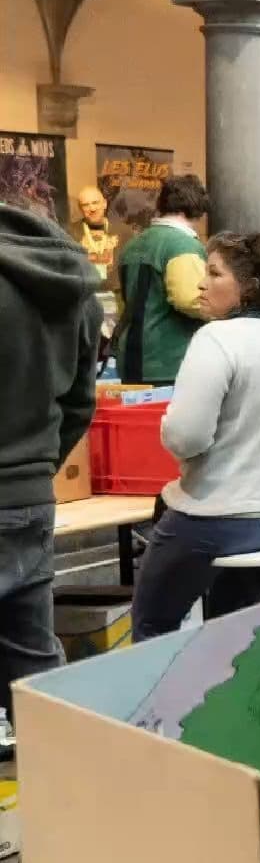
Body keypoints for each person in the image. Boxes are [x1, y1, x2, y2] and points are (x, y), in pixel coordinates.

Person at [132, 233, 260, 640]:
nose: (201, 284)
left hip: (218, 519)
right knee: (234, 620)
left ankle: (167, 701)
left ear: (250, 286)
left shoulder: (215, 339)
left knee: (152, 622)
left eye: (214, 273)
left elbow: (185, 437)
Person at [0, 166, 100, 712]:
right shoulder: (74, 283)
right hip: (31, 495)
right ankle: (67, 781)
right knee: (32, 655)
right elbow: (81, 403)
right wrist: (39, 465)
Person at [114, 173, 209, 384]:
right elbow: (190, 299)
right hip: (168, 362)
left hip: (130, 358)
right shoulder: (183, 245)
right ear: (198, 209)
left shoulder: (132, 245)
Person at [71, 186, 117, 277]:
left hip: (114, 290)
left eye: (95, 203)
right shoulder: (69, 232)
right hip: (84, 289)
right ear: (80, 208)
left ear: (104, 204)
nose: (92, 209)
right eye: (85, 205)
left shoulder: (123, 231)